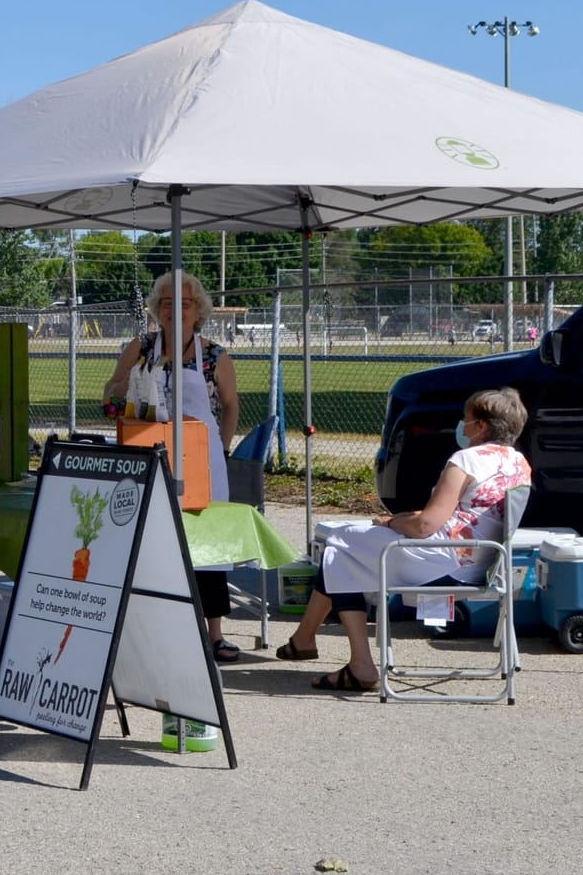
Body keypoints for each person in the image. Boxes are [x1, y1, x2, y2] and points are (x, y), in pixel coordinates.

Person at [278, 386, 531, 691]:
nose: (461, 427)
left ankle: (350, 660)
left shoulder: (466, 459)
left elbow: (425, 525)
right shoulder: (519, 464)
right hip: (484, 568)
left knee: (339, 541)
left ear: (481, 425)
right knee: (343, 554)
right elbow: (460, 515)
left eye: (466, 420)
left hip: (443, 563)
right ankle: (316, 644)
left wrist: (391, 520)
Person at [102, 270, 244, 662]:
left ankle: (214, 632)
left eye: (183, 303)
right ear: (156, 309)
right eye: (166, 303)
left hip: (203, 458)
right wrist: (120, 391)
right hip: (148, 453)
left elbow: (231, 405)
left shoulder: (214, 355)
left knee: (207, 544)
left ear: (197, 310)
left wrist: (222, 445)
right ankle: (152, 630)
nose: (174, 310)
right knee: (151, 539)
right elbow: (112, 389)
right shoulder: (140, 348)